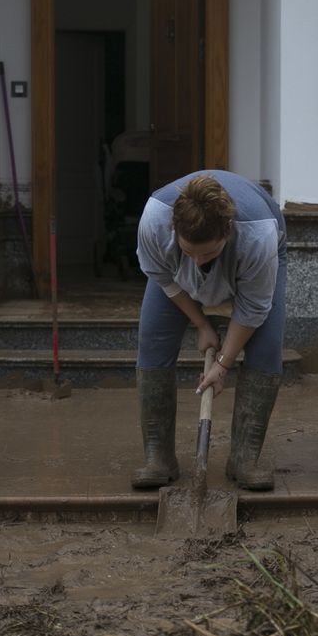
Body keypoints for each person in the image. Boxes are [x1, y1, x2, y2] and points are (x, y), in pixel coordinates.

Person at [132, 170, 286, 492]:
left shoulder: (257, 235)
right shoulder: (155, 220)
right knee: (152, 339)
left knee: (266, 347)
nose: (200, 261)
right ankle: (158, 459)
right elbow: (161, 276)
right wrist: (201, 323)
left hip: (258, 250)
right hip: (171, 275)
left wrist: (223, 363)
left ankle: (244, 460)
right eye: (190, 252)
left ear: (227, 231)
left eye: (209, 253)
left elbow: (254, 308)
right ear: (174, 230)